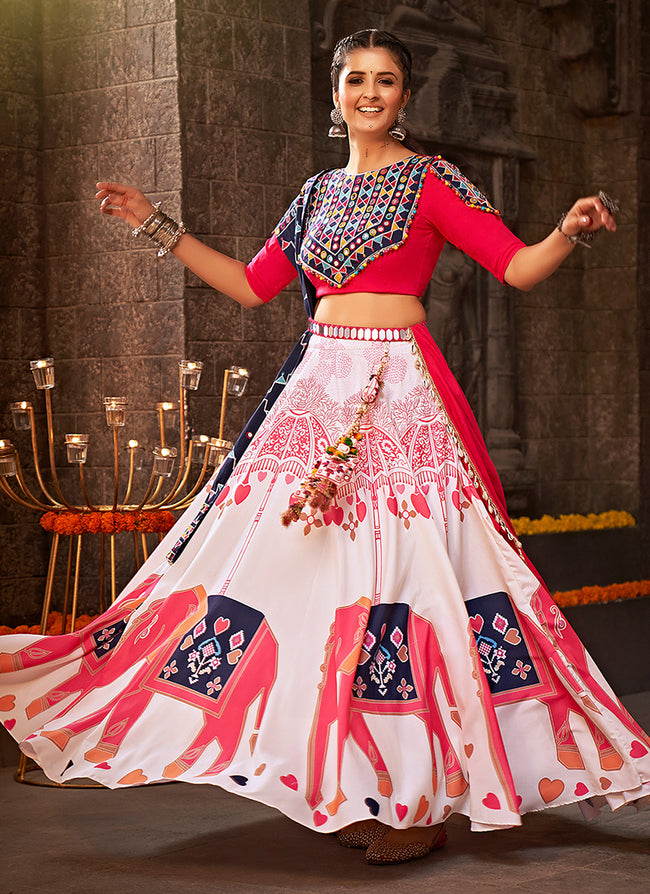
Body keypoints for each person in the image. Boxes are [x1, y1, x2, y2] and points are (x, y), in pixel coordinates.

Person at [1, 29, 648, 867]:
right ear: (334, 94)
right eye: (355, 80)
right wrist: (154, 224)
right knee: (305, 583)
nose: (369, 93)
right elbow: (250, 284)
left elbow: (516, 268)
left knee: (408, 583)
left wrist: (568, 229)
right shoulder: (313, 196)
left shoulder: (431, 180)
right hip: (316, 398)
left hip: (403, 404)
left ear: (405, 98)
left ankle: (419, 802)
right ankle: (351, 785)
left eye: (386, 81)